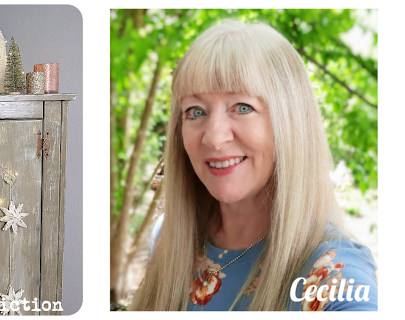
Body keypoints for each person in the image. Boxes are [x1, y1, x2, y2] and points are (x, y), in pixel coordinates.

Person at [130, 20, 377, 311]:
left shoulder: (333, 277)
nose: (214, 137)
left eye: (242, 107)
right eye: (196, 111)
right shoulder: (169, 238)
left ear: (290, 123)